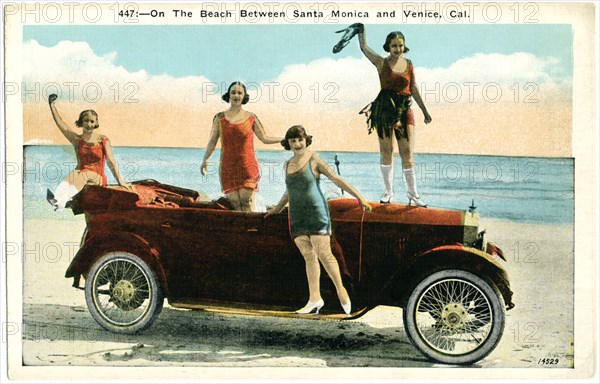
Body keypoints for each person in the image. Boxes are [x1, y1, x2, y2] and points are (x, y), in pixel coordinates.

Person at [266, 125, 371, 315]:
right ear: (288, 144)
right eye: (293, 141)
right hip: (297, 216)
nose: (297, 144)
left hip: (316, 213)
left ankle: (342, 292)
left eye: (300, 139)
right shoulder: (287, 164)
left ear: (306, 140)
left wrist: (360, 198)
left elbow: (336, 179)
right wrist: (277, 208)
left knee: (324, 254)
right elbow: (290, 191)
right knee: (308, 256)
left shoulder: (314, 159)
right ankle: (314, 298)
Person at [357, 26, 432, 206]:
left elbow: (413, 88)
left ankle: (413, 194)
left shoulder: (409, 64)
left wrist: (424, 110)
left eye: (400, 45)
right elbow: (364, 48)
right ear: (388, 47)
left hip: (404, 109)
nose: (397, 49)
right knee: (386, 151)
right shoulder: (381, 63)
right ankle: (388, 192)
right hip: (384, 109)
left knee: (407, 153)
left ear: (404, 46)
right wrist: (361, 32)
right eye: (394, 46)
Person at [201, 81, 283, 212]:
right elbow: (212, 141)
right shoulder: (220, 118)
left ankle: (255, 231)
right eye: (233, 92)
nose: (236, 95)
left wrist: (283, 140)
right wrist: (205, 160)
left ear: (244, 96)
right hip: (228, 167)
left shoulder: (251, 117)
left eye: (240, 93)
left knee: (247, 202)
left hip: (247, 167)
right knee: (235, 205)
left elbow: (265, 138)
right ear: (229, 95)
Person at [46, 94, 131, 211]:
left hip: (98, 178)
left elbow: (111, 163)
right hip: (80, 174)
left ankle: (64, 201)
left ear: (96, 123)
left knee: (84, 174)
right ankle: (58, 200)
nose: (89, 124)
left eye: (92, 121)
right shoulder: (77, 140)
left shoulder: (103, 140)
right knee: (74, 174)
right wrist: (52, 105)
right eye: (86, 121)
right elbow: (62, 125)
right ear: (81, 122)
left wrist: (121, 181)